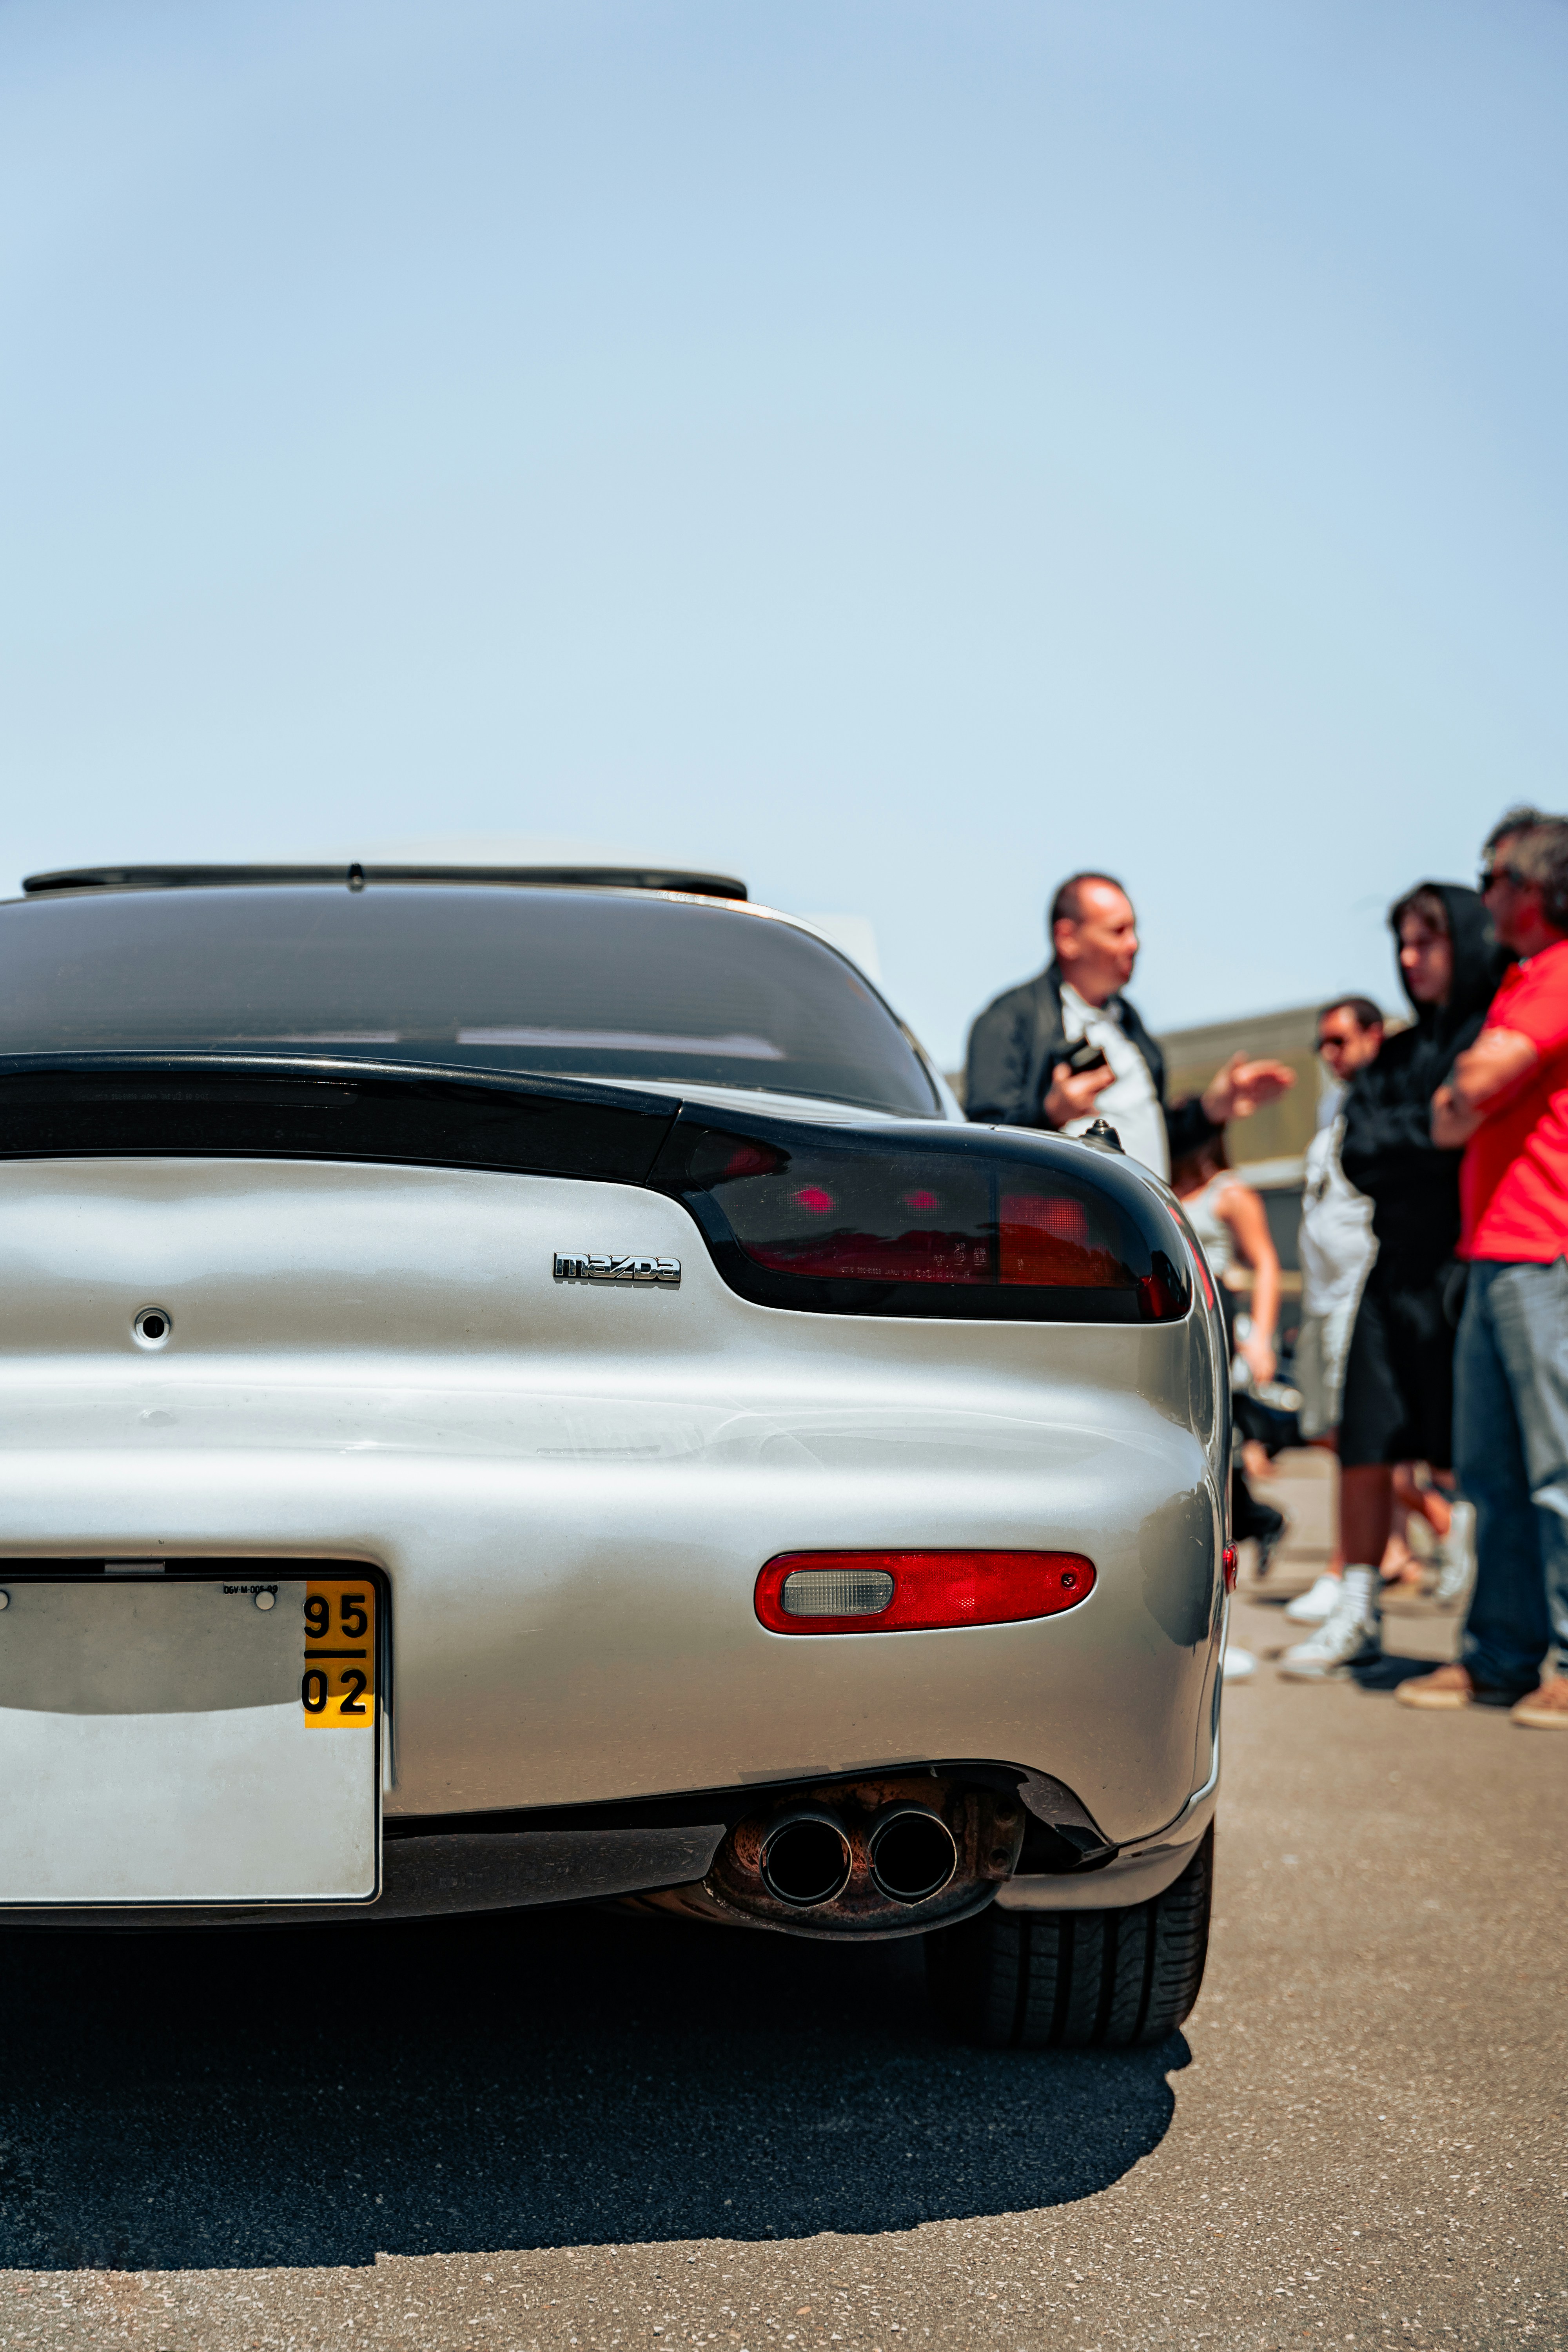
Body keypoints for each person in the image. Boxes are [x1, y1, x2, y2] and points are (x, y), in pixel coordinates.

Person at [1279, 881, 1496, 1680]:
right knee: (1363, 1442)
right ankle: (1357, 1606)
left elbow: (1469, 1139)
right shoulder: (1398, 1056)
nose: (1411, 960)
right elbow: (1359, 1151)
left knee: (1471, 1452)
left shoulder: (1488, 1035)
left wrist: (1428, 1141)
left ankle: (1494, 1618)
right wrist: (1433, 1131)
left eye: (1427, 941)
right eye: (1401, 944)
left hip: (1466, 1267)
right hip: (1389, 1267)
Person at [1398, 822, 1568, 1726]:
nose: (1484, 892)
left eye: (1491, 876)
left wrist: (1464, 1088)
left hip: (1547, 1250)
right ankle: (1500, 1656)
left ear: (1530, 885)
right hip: (1498, 1251)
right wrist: (1461, 1091)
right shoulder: (1519, 981)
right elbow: (1451, 1109)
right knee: (1493, 1476)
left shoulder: (1561, 970)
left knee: (1558, 1468)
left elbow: (1475, 1086)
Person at [964, 873, 1295, 1178]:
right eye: (1118, 931)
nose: (1135, 944)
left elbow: (1152, 1139)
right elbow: (982, 1141)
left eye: (1135, 930)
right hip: (1060, 1230)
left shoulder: (1128, 1023)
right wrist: (1049, 1114)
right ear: (1067, 938)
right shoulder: (1010, 1020)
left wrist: (1210, 1110)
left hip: (1139, 1229)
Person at [1282, 997, 1383, 1628]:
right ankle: (1431, 1523)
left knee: (1357, 1437)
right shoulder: (1332, 1107)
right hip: (1320, 1295)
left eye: (1341, 1040)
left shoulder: (1382, 1097)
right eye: (1323, 1042)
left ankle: (1347, 1571)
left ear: (1375, 1036)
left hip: (1359, 1290)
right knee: (1321, 1428)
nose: (1330, 1053)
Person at [1171, 1136, 1287, 1675]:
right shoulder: (1161, 1177)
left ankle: (1214, 1635)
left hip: (1217, 1329)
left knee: (1220, 1466)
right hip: (1175, 1332)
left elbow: (1264, 1261)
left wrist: (1261, 1336)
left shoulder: (1229, 1192)